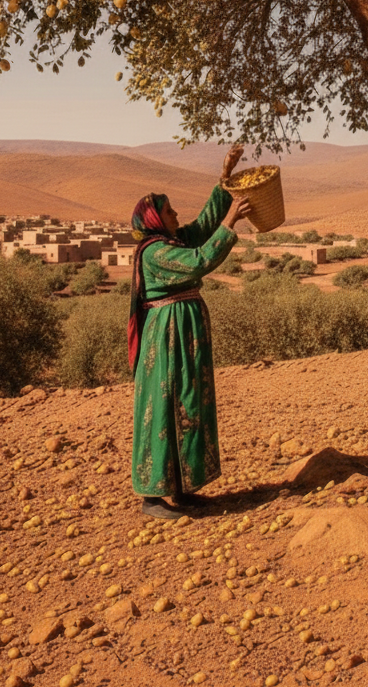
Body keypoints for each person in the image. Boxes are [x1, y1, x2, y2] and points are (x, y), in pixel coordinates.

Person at [128, 144, 252, 519]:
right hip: (166, 338)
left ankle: (182, 487)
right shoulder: (155, 253)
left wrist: (224, 178)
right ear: (154, 219)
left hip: (184, 334)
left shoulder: (171, 239)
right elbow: (199, 261)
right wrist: (230, 223)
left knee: (187, 402)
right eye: (169, 211)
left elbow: (201, 226)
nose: (176, 214)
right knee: (164, 406)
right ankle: (152, 496)